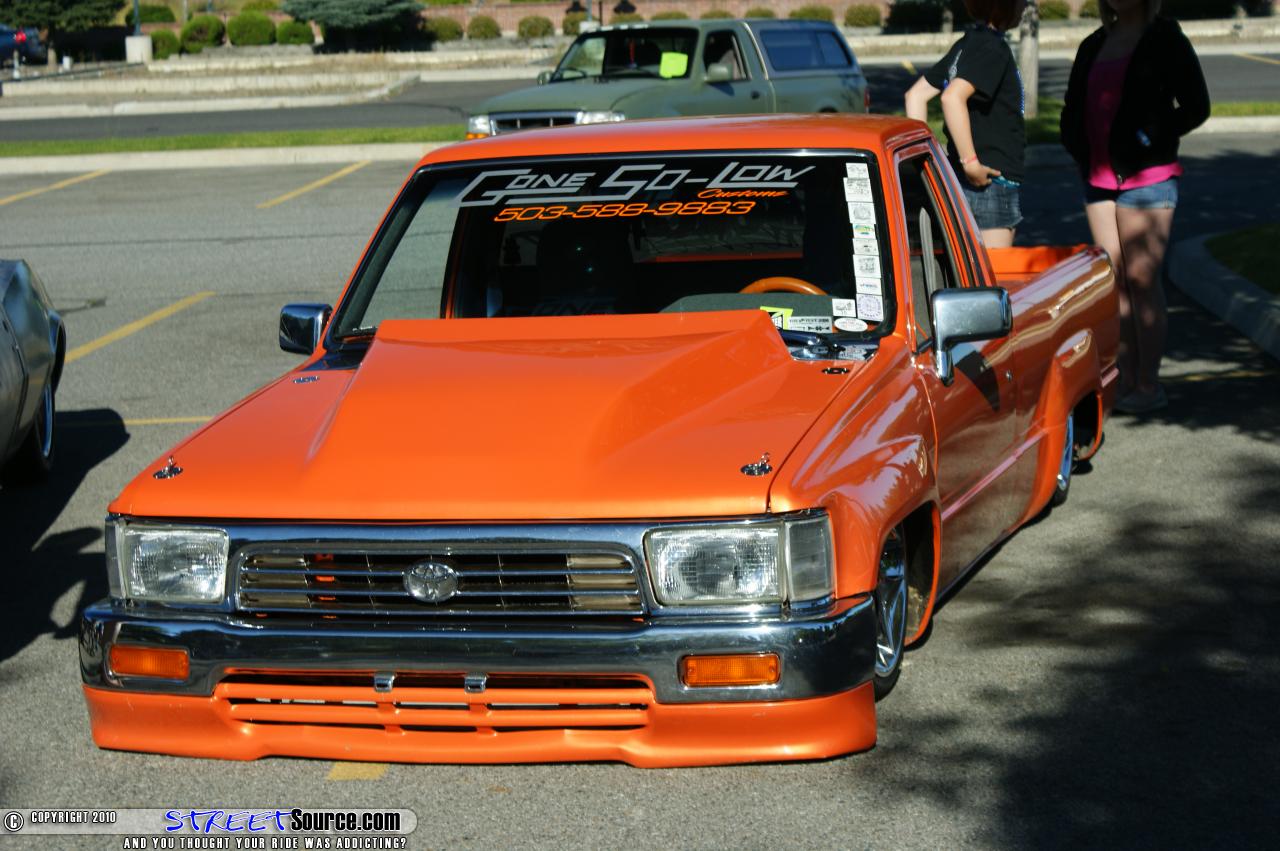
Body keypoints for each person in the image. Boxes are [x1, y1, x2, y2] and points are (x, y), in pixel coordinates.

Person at [1060, 0, 1209, 413]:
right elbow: (1073, 107)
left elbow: (1196, 107)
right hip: (1098, 180)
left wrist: (1148, 137)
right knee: (1115, 282)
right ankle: (1124, 379)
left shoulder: (1165, 38)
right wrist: (1076, 146)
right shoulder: (1094, 43)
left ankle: (1148, 384)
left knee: (1141, 281)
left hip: (1148, 178)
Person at [905, 0, 1028, 249]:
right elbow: (952, 98)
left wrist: (923, 162)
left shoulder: (968, 42)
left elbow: (915, 95)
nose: (1025, 5)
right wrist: (970, 163)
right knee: (992, 271)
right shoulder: (993, 47)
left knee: (968, 268)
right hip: (990, 182)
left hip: (963, 180)